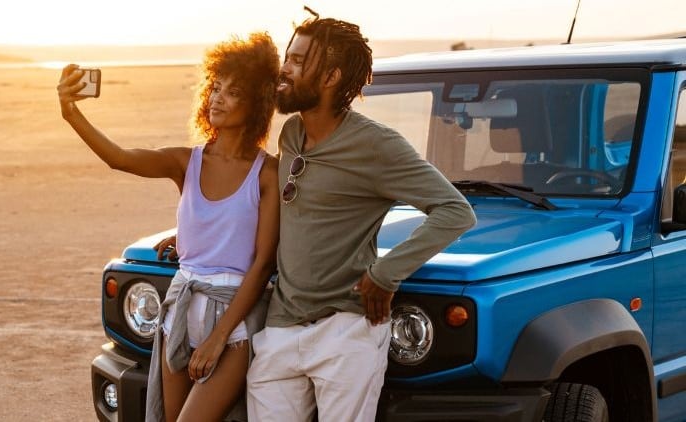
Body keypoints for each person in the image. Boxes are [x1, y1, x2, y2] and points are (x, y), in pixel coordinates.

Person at [241, 13, 477, 421]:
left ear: (330, 76)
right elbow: (275, 212)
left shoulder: (376, 145)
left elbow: (455, 211)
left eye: (299, 62)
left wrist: (388, 273)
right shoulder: (291, 134)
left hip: (346, 331)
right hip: (281, 328)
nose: (285, 69)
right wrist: (194, 236)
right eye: (288, 57)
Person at [57, 32, 281, 421]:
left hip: (233, 323)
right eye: (215, 87)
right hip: (179, 310)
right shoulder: (186, 161)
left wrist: (217, 339)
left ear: (258, 101)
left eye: (233, 92)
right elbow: (120, 159)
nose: (217, 98)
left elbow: (262, 264)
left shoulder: (267, 173)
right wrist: (71, 113)